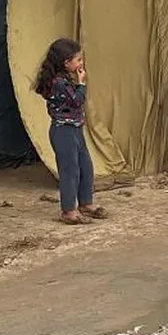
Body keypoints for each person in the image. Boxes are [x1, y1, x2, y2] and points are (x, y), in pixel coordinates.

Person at [34, 38, 106, 225]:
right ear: (66, 63)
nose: (81, 64)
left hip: (75, 129)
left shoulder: (64, 79)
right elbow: (76, 100)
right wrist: (82, 84)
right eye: (78, 60)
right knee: (70, 170)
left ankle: (86, 202)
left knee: (85, 166)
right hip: (63, 131)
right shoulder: (58, 83)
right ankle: (68, 210)